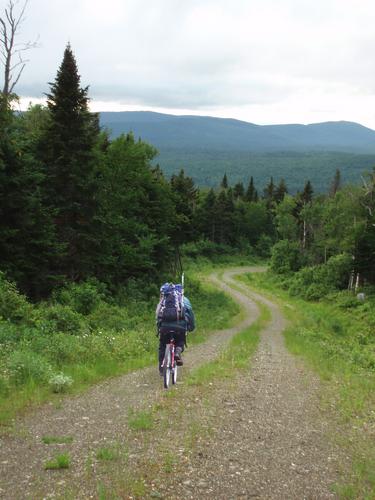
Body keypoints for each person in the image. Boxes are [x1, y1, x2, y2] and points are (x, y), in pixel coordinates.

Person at [156, 282, 195, 375]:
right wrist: (191, 327)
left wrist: (159, 329)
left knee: (162, 345)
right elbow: (190, 315)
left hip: (165, 328)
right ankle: (177, 351)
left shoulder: (163, 302)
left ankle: (162, 369)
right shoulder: (183, 300)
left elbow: (158, 316)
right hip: (180, 327)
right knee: (180, 341)